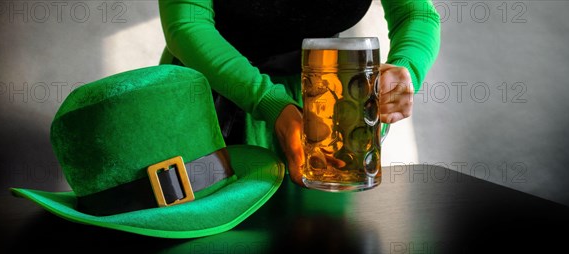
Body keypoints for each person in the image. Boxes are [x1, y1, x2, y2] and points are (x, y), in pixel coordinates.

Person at [158, 0, 441, 186]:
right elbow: (187, 24)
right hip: (210, 93)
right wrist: (271, 104)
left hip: (319, 98)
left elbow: (415, 13)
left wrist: (405, 69)